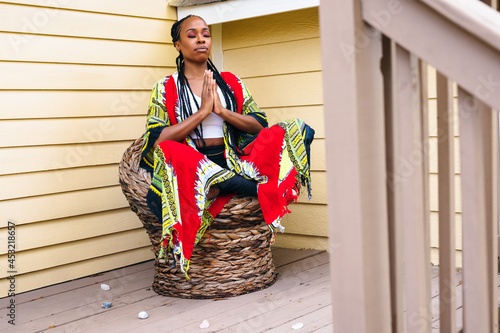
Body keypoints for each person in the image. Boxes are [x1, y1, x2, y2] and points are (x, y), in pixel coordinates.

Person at [140, 15, 314, 277]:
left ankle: (220, 184)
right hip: (193, 163)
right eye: (191, 34)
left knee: (293, 128)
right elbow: (158, 140)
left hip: (232, 157)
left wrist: (221, 111)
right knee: (170, 151)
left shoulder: (230, 83)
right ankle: (253, 188)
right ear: (177, 44)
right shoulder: (165, 87)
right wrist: (200, 114)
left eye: (206, 34)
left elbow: (258, 126)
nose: (201, 39)